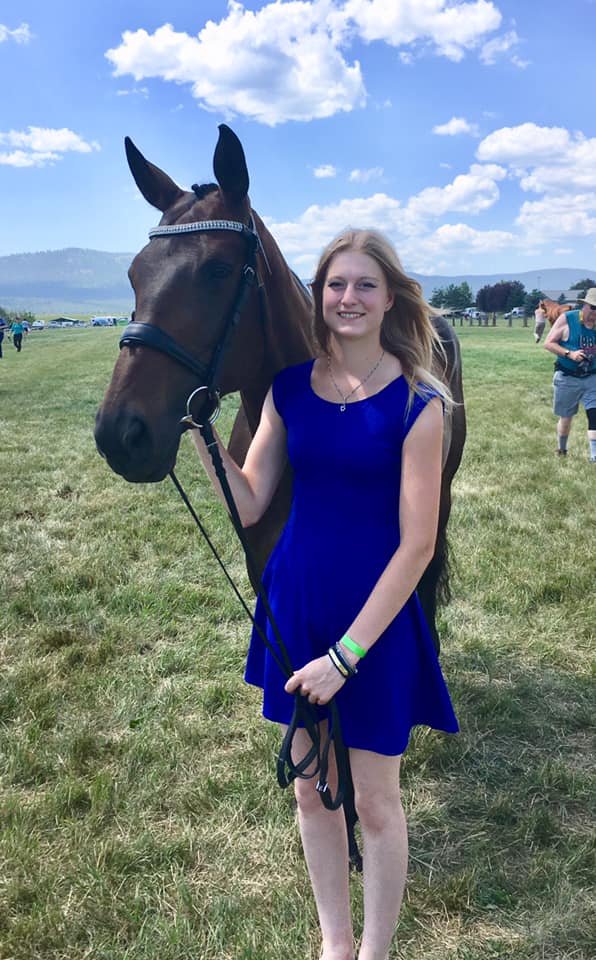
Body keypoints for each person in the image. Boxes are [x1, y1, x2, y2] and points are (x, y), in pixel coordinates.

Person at [189, 228, 459, 960]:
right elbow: (251, 503)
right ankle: (334, 943)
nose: (348, 298)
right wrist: (204, 437)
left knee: (375, 802)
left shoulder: (419, 401)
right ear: (319, 295)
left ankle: (374, 951)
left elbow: (418, 545)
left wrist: (346, 657)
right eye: (335, 284)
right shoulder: (288, 391)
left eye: (365, 284)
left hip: (373, 625)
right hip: (298, 609)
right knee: (310, 788)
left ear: (391, 297)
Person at [544, 288, 596, 461]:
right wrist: (570, 354)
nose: (595, 313)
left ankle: (594, 456)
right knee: (566, 419)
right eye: (593, 308)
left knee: (594, 415)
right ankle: (562, 449)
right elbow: (549, 343)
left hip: (592, 377)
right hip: (567, 377)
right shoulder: (568, 319)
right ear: (585, 305)